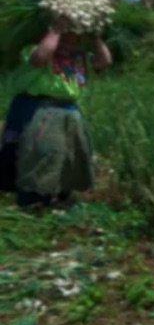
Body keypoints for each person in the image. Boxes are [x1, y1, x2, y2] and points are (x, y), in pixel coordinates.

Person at [0, 27, 111, 207]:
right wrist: (57, 27)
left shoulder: (78, 58)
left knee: (68, 155)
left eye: (73, 40)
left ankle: (60, 195)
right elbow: (40, 57)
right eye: (63, 39)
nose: (67, 44)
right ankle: (33, 200)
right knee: (42, 153)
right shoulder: (34, 50)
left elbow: (104, 62)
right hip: (39, 110)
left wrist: (96, 37)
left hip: (68, 112)